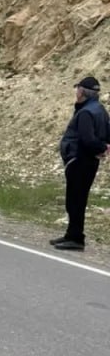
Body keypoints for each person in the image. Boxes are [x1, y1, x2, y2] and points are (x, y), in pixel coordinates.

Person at [51, 75, 110, 251]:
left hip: (79, 160)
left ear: (82, 91)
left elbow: (87, 139)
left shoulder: (85, 112)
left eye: (77, 88)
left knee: (75, 200)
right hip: (89, 161)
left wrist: (100, 147)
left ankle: (76, 238)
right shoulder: (100, 110)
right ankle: (71, 234)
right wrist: (103, 148)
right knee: (78, 199)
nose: (76, 91)